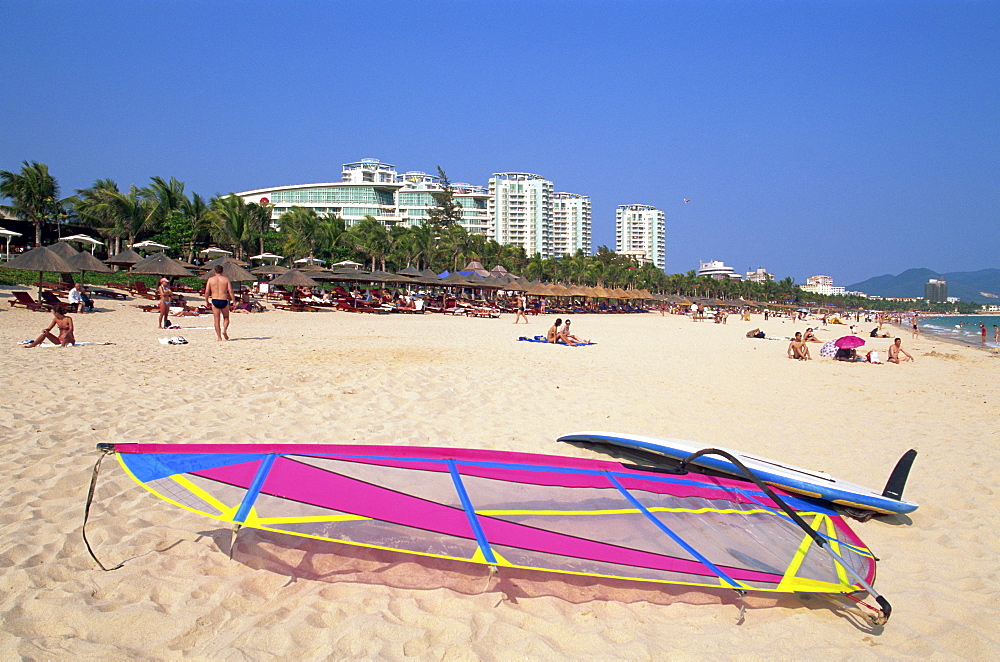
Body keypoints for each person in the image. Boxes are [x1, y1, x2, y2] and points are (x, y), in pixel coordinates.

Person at [204, 265, 235, 341]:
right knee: (226, 318)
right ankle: (224, 331)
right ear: (222, 271)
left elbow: (207, 291)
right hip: (224, 300)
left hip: (215, 300)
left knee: (216, 320)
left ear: (214, 271)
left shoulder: (210, 280)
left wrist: (206, 301)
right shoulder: (225, 279)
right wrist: (233, 301)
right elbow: (230, 291)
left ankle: (219, 337)